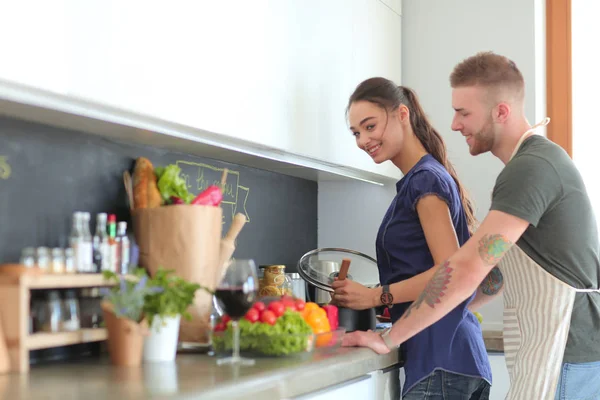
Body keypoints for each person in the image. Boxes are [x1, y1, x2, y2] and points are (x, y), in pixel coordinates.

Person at [341, 52, 600, 400]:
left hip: (569, 355)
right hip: (559, 354)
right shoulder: (528, 167)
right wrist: (446, 309)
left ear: (501, 112)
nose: (454, 124)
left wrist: (388, 336)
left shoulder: (531, 168)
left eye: (464, 113)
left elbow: (464, 270)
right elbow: (492, 278)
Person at [335, 77, 495, 399]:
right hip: (459, 358)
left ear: (402, 115)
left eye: (370, 126)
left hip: (438, 362)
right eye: (356, 133)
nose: (363, 140)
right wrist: (396, 304)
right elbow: (475, 275)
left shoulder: (424, 181)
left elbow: (447, 272)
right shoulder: (427, 178)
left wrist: (375, 296)